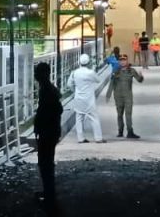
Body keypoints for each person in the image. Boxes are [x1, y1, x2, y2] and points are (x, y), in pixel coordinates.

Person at [33, 61, 62, 207]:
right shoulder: (49, 89)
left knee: (45, 162)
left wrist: (40, 125)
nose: (35, 75)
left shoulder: (46, 91)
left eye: (37, 72)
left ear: (43, 74)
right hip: (50, 131)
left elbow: (49, 110)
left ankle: (49, 195)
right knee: (46, 162)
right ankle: (48, 192)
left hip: (47, 132)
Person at [67, 54, 105, 143]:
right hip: (89, 99)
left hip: (78, 98)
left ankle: (80, 138)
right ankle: (98, 138)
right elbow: (98, 80)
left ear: (79, 62)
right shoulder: (90, 73)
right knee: (94, 117)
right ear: (88, 63)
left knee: (79, 118)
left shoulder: (75, 72)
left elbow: (69, 84)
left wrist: (75, 90)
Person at [105, 53, 143, 138]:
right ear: (119, 61)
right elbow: (111, 83)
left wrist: (141, 76)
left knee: (128, 114)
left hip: (128, 96)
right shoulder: (115, 71)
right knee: (119, 114)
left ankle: (130, 131)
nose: (122, 62)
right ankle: (120, 131)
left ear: (127, 61)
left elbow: (139, 80)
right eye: (121, 60)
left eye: (124, 60)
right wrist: (108, 94)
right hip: (118, 96)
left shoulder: (131, 71)